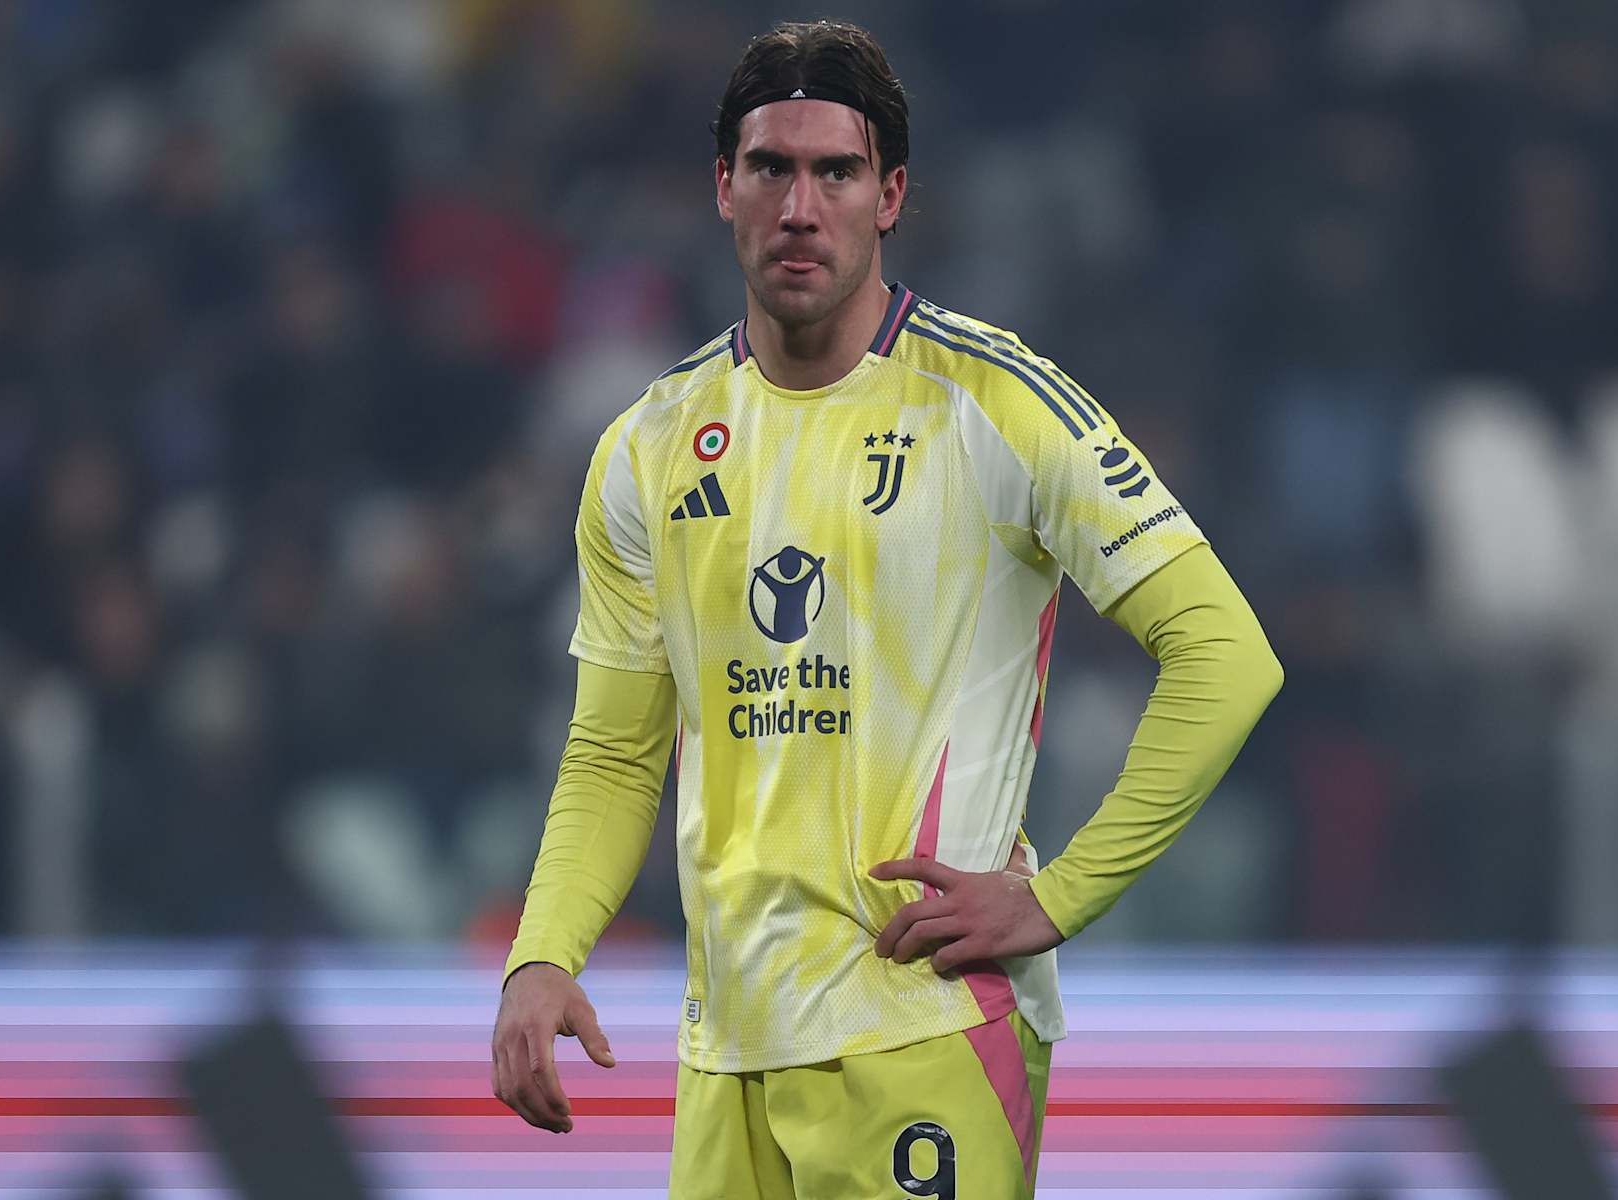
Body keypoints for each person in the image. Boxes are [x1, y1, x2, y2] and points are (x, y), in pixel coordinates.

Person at [490, 19, 1282, 1198]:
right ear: (723, 187)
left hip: (924, 1036)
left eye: (837, 171)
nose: (800, 206)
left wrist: (1058, 897)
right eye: (770, 168)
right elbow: (615, 747)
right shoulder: (648, 447)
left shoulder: (997, 404)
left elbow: (1226, 656)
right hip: (728, 1056)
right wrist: (542, 954)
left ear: (892, 194)